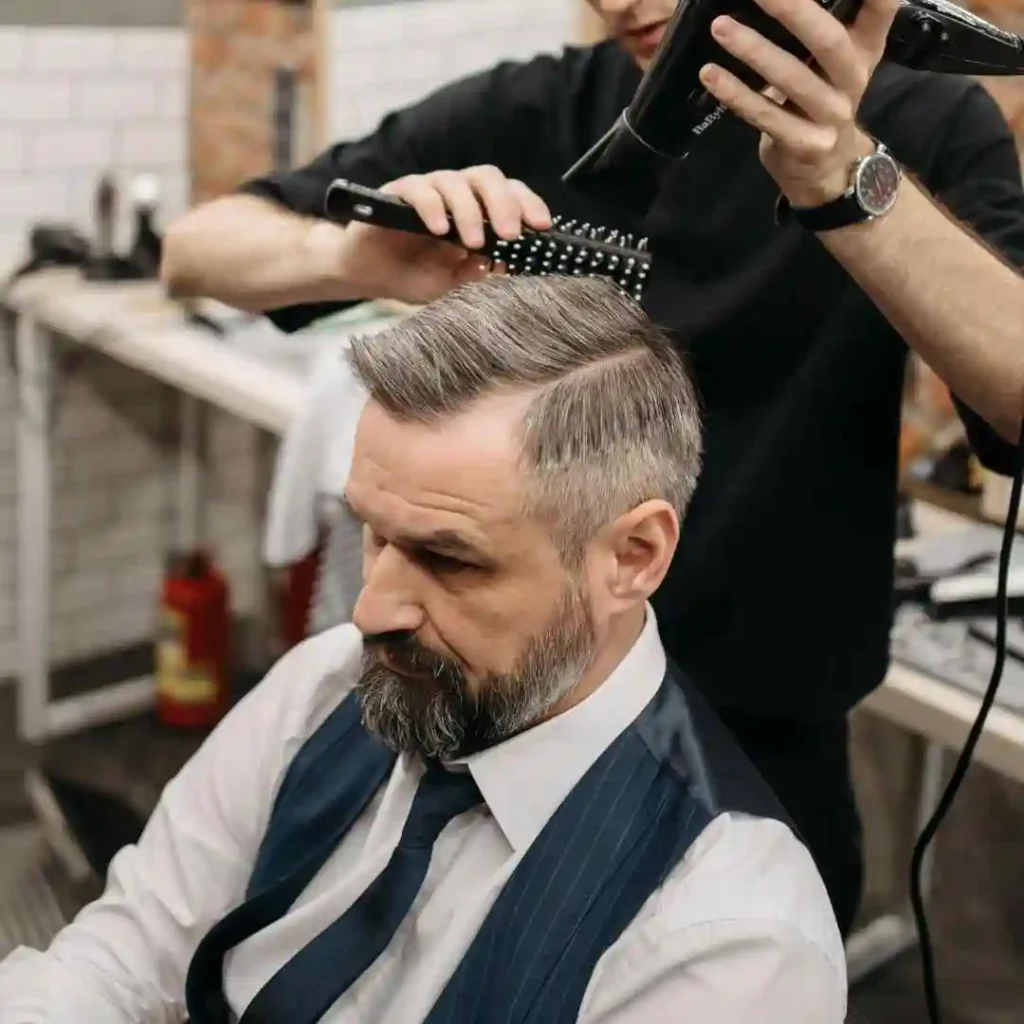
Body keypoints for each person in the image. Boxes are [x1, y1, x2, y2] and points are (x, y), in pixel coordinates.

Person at [161, 0, 1024, 936]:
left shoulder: (927, 122)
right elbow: (194, 252)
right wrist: (347, 256)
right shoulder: (547, 106)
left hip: (762, 718)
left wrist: (840, 174)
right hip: (503, 702)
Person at [0, 276, 847, 1023]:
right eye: (372, 534)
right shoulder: (323, 688)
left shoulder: (728, 941)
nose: (371, 609)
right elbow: (126, 955)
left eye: (449, 559)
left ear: (632, 557)